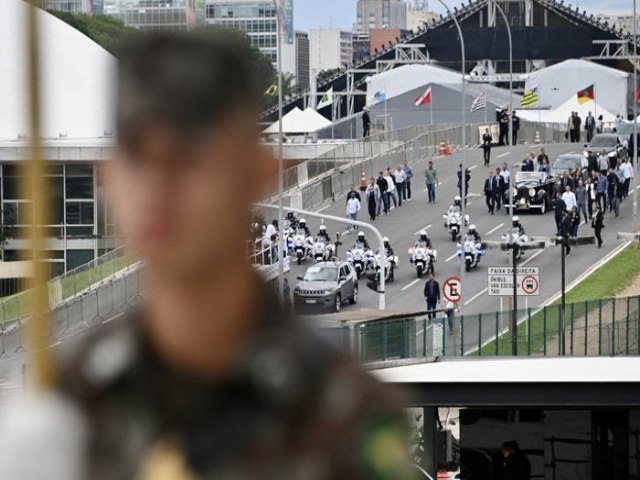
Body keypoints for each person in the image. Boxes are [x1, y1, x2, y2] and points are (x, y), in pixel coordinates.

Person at [5, 31, 415, 480]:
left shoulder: (342, 414)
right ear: (108, 177)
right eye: (138, 155)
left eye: (189, 155)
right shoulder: (65, 412)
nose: (158, 187)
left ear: (260, 170)